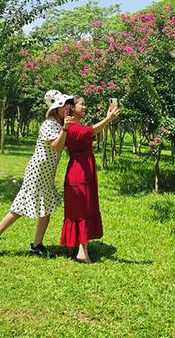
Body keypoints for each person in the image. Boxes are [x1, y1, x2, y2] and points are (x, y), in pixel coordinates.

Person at [0, 89, 74, 257]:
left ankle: (37, 244)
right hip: (37, 171)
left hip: (48, 173)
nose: (68, 108)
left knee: (46, 208)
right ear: (56, 108)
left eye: (69, 104)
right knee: (20, 207)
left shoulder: (60, 124)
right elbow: (56, 145)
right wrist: (66, 129)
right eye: (64, 105)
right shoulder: (49, 124)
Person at [60, 96, 120, 263]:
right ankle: (82, 250)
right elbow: (90, 131)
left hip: (83, 171)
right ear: (72, 108)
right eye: (82, 104)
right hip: (79, 174)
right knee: (82, 210)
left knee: (78, 209)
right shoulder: (71, 127)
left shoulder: (74, 125)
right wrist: (108, 118)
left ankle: (74, 246)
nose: (85, 107)